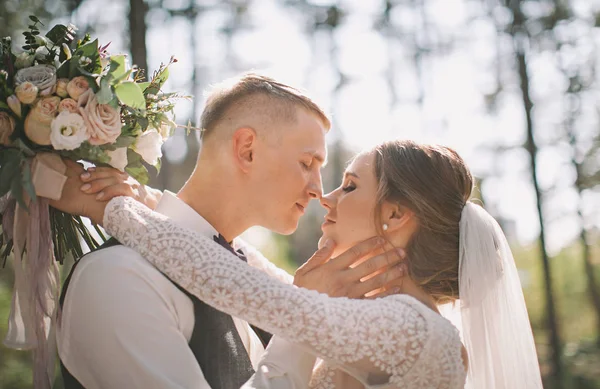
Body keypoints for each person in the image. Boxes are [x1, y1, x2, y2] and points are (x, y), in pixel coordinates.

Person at [54, 139, 544, 388]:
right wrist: (151, 200)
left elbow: (233, 283)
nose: (325, 197)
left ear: (395, 214)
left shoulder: (410, 329)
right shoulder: (377, 317)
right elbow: (247, 267)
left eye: (349, 186)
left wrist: (109, 209)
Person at [51, 74, 407, 389]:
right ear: (247, 150)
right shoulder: (118, 277)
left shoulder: (254, 276)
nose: (318, 189)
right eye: (306, 164)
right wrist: (303, 323)